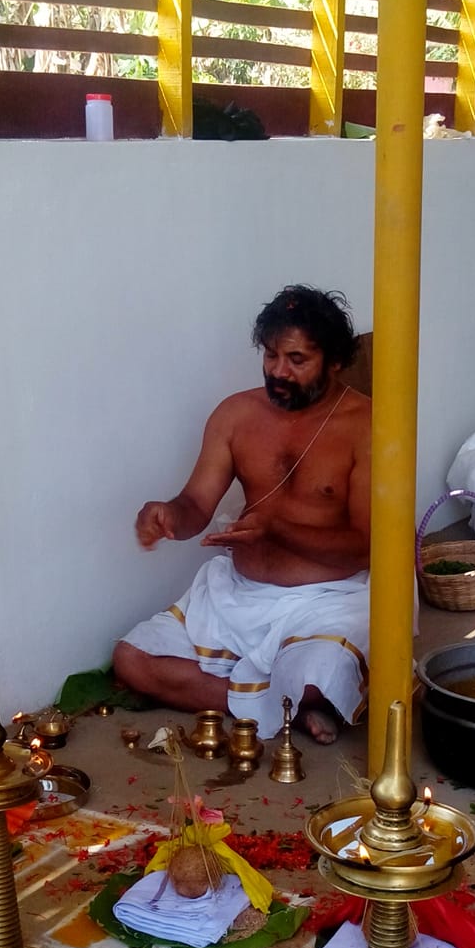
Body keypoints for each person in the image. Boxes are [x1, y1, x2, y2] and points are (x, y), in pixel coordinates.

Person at [113, 286, 371, 742]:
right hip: (237, 594)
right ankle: (281, 704)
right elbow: (196, 505)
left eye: (296, 360)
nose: (278, 371)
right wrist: (169, 514)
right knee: (131, 659)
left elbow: (366, 546)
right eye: (270, 356)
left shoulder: (367, 426)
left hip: (329, 596)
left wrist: (277, 529)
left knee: (321, 671)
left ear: (333, 362)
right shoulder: (235, 415)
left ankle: (284, 698)